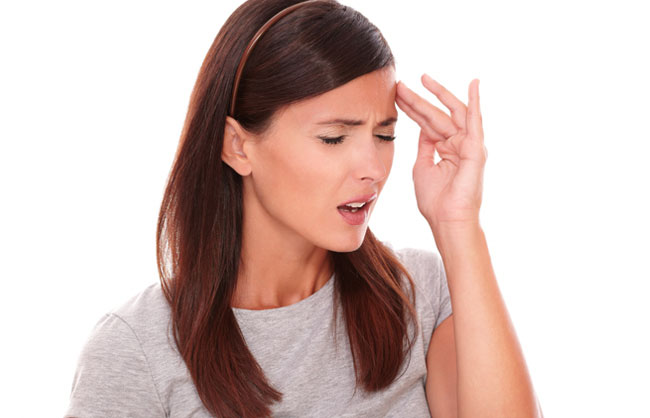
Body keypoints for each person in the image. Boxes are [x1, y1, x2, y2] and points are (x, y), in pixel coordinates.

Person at [65, 0, 543, 417]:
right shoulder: (134, 349)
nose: (373, 169)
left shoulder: (419, 294)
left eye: (385, 135)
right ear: (237, 146)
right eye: (333, 138)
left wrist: (459, 226)